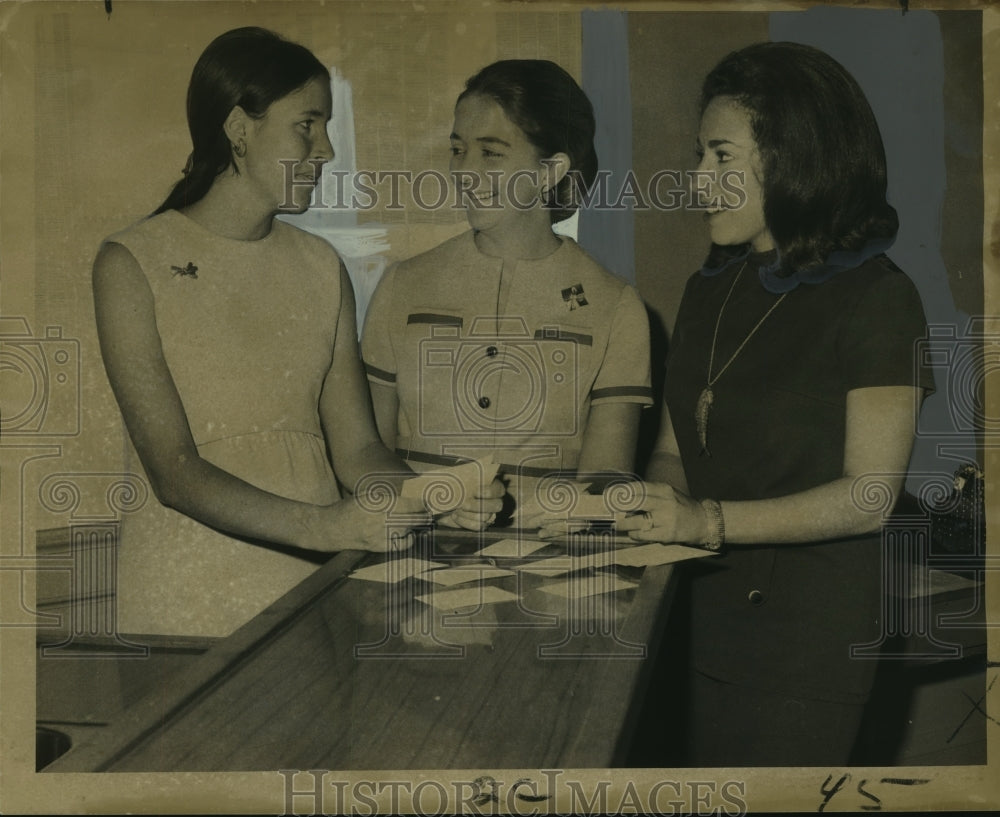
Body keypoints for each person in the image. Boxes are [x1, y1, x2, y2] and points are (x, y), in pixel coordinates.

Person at [94, 27, 499, 638]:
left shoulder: (319, 266)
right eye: (307, 125)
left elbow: (359, 451)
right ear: (239, 129)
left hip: (313, 591)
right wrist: (327, 528)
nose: (326, 149)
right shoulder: (131, 263)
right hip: (183, 602)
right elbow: (174, 471)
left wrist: (431, 498)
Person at [614, 42, 935, 765]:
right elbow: (671, 449)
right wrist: (658, 509)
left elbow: (871, 495)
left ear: (791, 158)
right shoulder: (707, 290)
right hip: (689, 619)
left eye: (721, 157)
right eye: (701, 156)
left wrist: (706, 522)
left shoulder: (880, 297)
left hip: (804, 645)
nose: (699, 182)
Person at [361, 60, 653, 519]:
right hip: (409, 554)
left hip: (549, 567)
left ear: (550, 170)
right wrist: (430, 501)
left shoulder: (616, 306)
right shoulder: (403, 285)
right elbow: (363, 457)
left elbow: (605, 480)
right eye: (458, 150)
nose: (464, 172)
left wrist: (570, 515)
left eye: (491, 153)